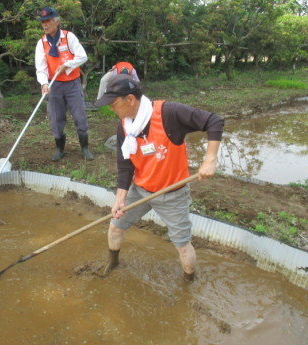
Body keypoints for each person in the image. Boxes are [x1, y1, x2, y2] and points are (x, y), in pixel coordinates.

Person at [94, 74, 224, 281]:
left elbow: (214, 121)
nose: (111, 108)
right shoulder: (125, 127)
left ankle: (189, 281)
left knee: (182, 245)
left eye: (113, 103)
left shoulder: (168, 113)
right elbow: (125, 165)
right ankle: (113, 261)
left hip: (172, 194)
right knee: (115, 227)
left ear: (130, 99)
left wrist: (209, 160)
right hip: (140, 190)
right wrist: (120, 200)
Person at [35, 6, 94, 161]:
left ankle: (85, 148)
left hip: (72, 84)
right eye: (43, 22)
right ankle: (60, 149)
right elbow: (40, 68)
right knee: (56, 118)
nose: (45, 25)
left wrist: (68, 64)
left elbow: (82, 56)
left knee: (80, 116)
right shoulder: (41, 43)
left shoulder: (69, 37)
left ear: (57, 21)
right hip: (54, 86)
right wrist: (43, 83)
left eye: (47, 21)